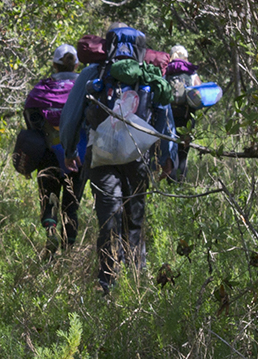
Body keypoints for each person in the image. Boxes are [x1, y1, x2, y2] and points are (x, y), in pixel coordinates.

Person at [60, 24, 177, 293]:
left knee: (108, 217)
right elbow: (165, 117)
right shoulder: (149, 75)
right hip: (138, 157)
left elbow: (71, 114)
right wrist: (167, 158)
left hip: (100, 157)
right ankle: (138, 277)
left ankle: (108, 281)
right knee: (134, 217)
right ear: (142, 49)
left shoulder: (93, 72)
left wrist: (69, 150)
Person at [23, 43, 85, 255]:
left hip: (47, 154)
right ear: (77, 64)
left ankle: (50, 232)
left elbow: (30, 119)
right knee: (71, 204)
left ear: (54, 65)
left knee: (48, 195)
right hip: (77, 155)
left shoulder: (41, 90)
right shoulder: (84, 87)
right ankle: (68, 252)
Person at [164, 45, 202, 182]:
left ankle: (170, 182)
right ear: (185, 57)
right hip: (187, 116)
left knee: (170, 149)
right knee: (183, 151)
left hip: (169, 117)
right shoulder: (191, 72)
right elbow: (199, 94)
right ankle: (181, 182)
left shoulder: (166, 71)